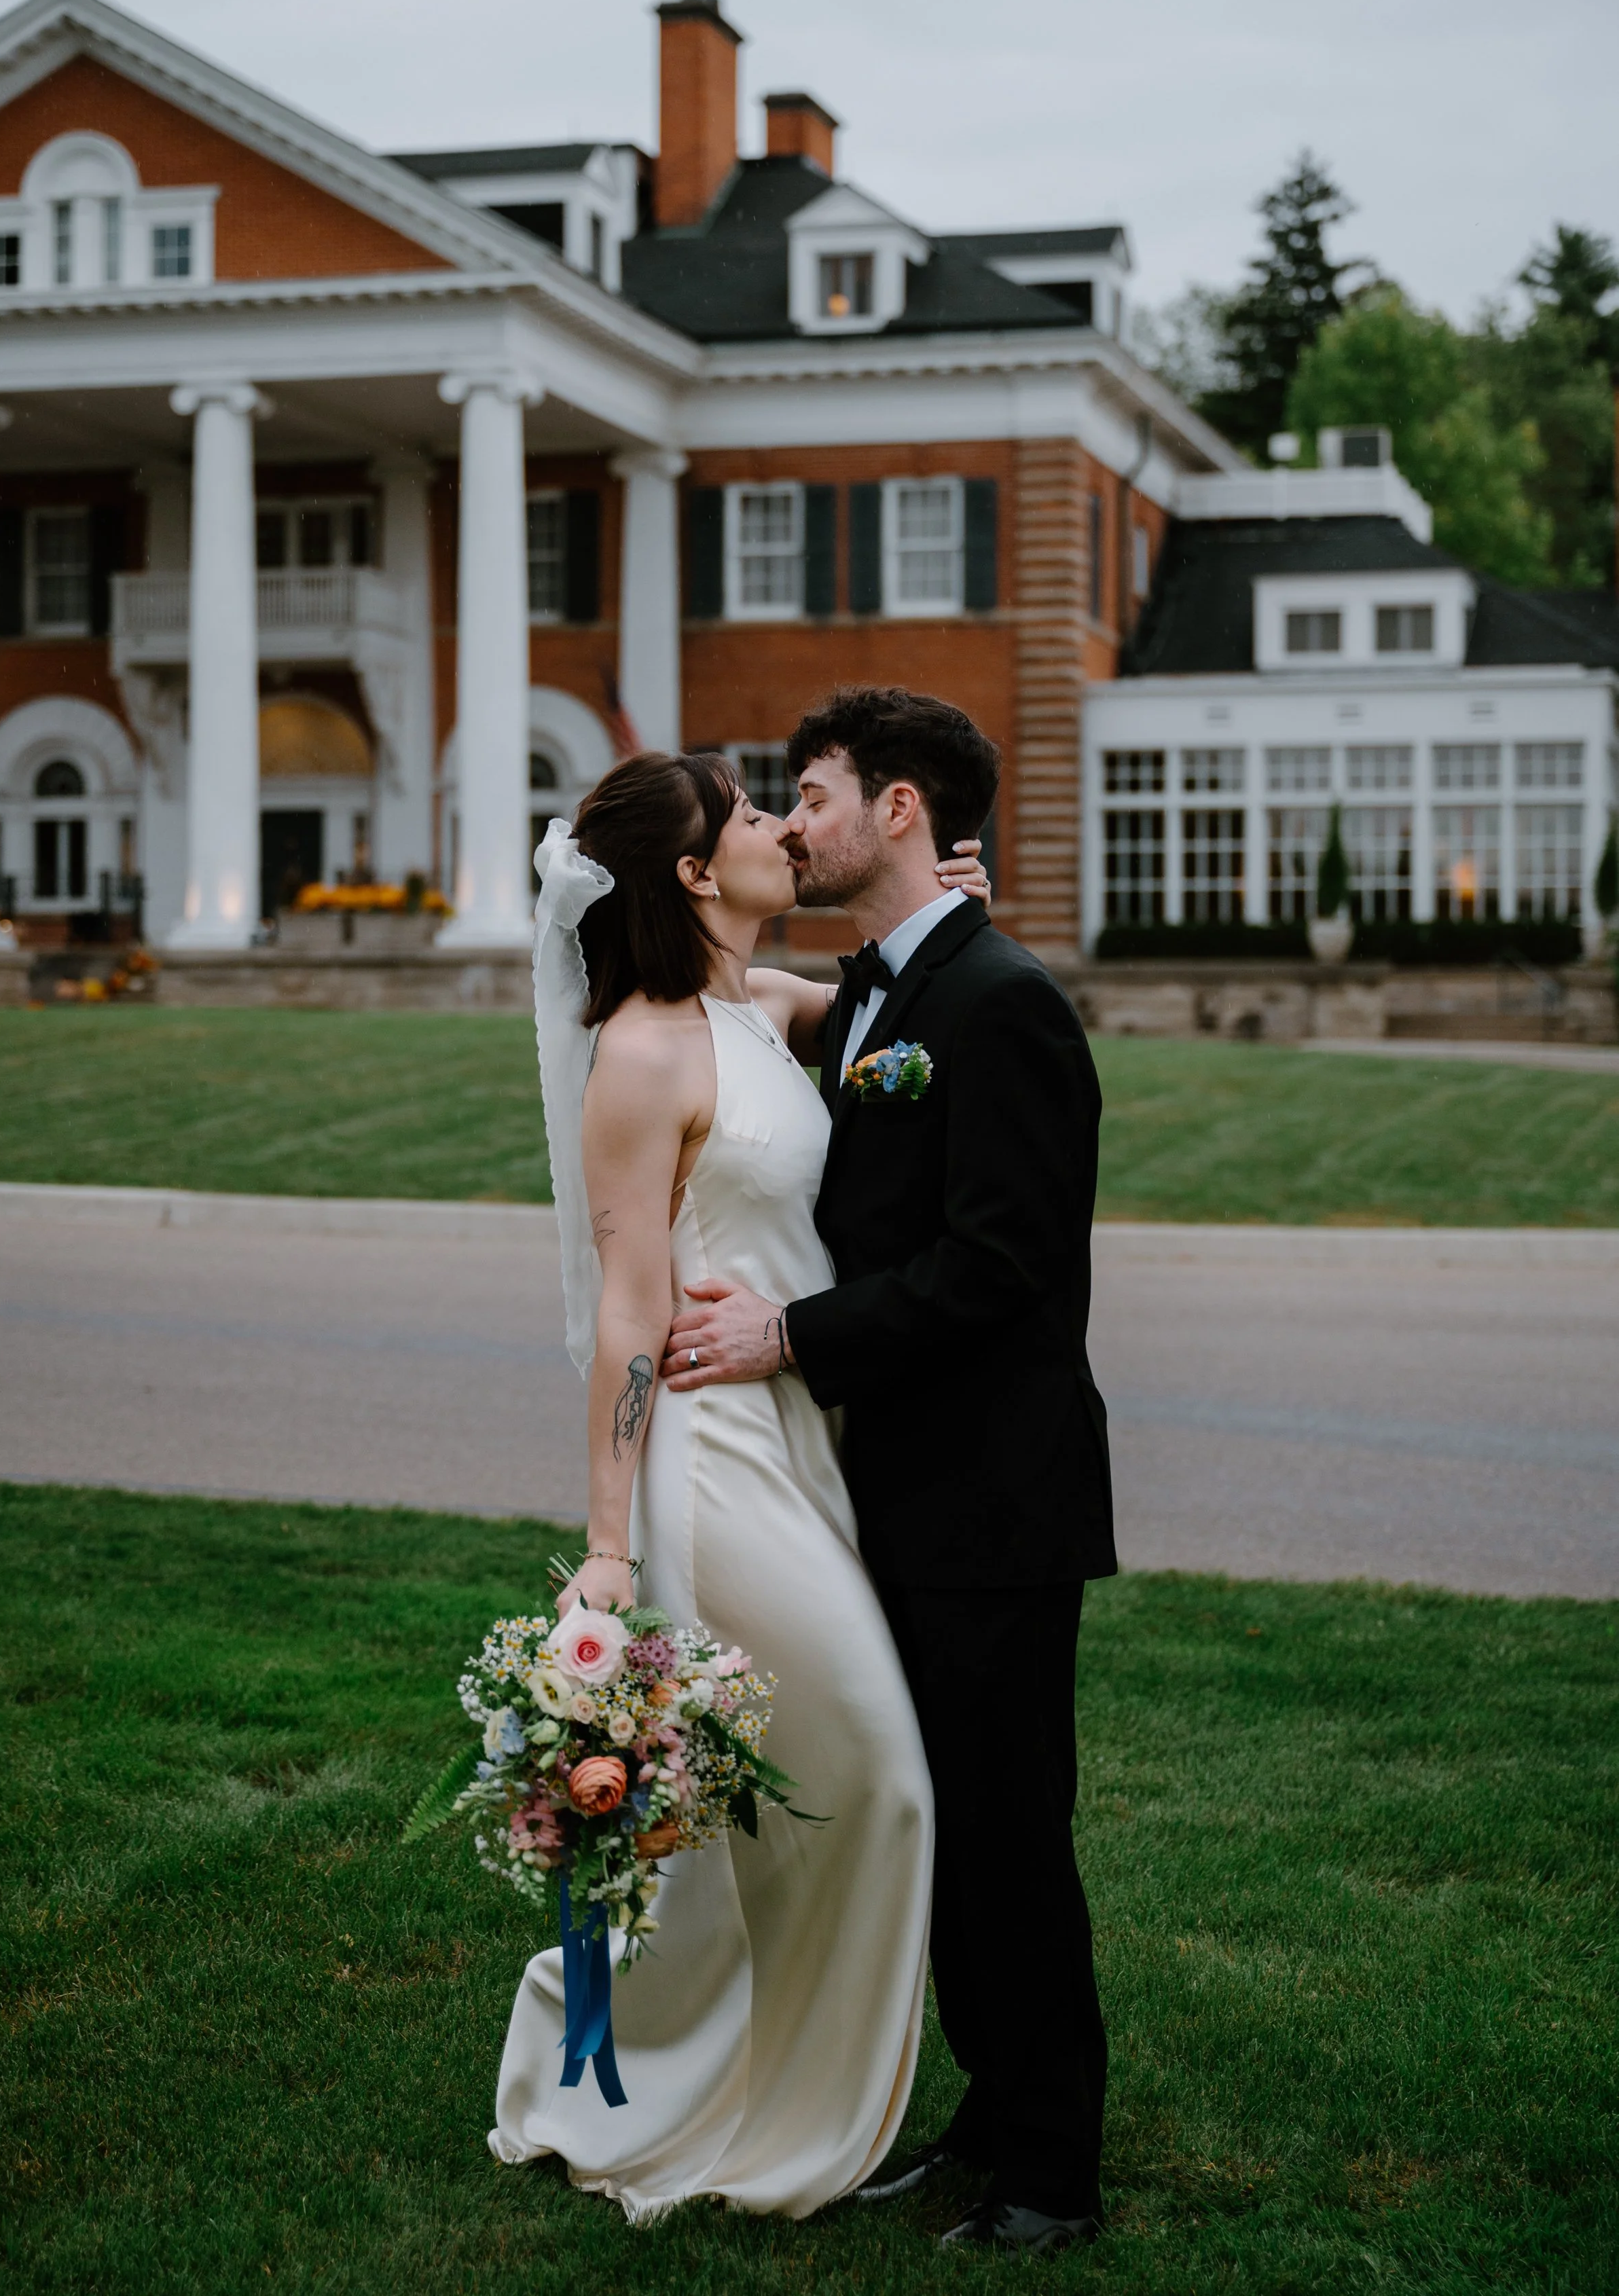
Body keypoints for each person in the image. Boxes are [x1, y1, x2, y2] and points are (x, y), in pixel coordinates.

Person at [488, 748, 989, 2221]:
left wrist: (947, 907)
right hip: (711, 1467)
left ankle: (755, 2063)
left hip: (803, 1437)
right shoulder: (641, 1051)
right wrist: (607, 1544)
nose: (784, 829)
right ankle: (791, 2115)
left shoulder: (753, 1009)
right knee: (880, 1777)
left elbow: (904, 1012)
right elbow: (630, 1318)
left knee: (798, 1803)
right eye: (758, 818)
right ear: (698, 875)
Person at [663, 687, 1116, 2254]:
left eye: (818, 793)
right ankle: (993, 2112)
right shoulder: (875, 998)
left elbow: (1005, 1268)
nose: (795, 823)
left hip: (995, 1496)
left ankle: (1054, 2166)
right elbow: (744, 992)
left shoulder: (1002, 1006)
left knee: (1006, 1827)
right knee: (938, 1813)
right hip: (895, 1493)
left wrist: (787, 1332)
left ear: (902, 809)